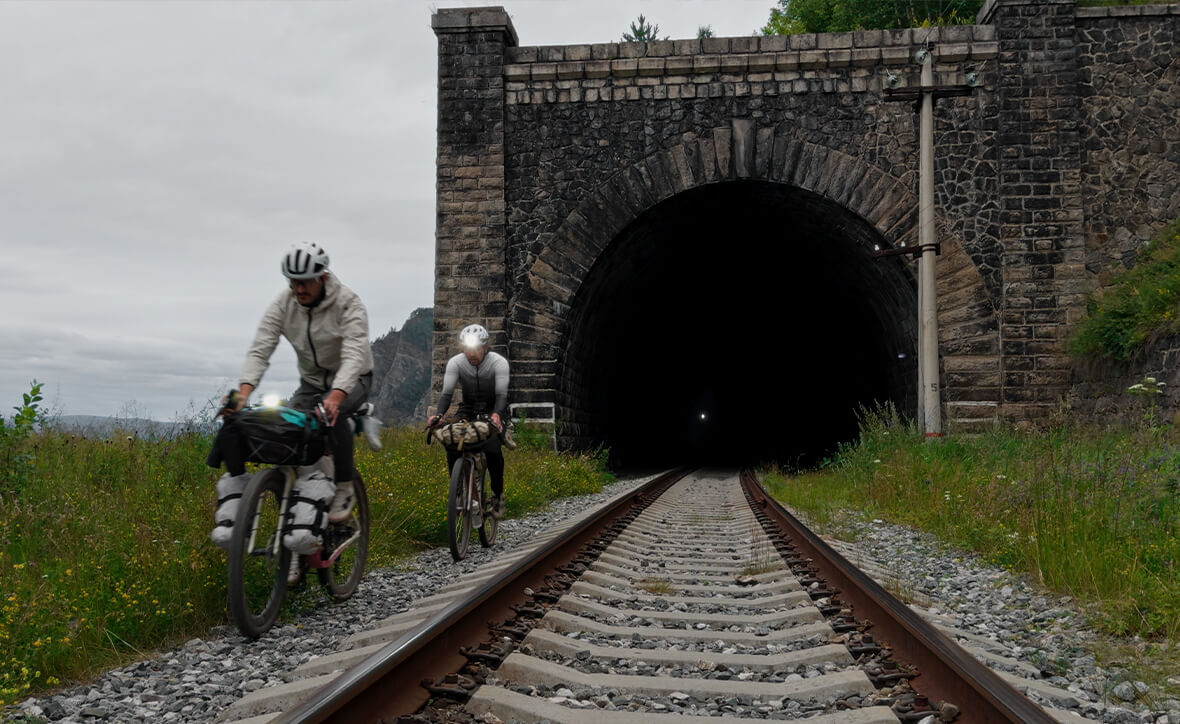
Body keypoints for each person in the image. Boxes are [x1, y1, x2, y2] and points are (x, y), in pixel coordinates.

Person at [207, 242, 374, 562]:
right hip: (311, 383)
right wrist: (244, 393)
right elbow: (261, 347)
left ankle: (343, 487)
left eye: (305, 282)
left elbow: (355, 354)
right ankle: (298, 513)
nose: (298, 289)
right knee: (293, 431)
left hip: (353, 379)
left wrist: (336, 396)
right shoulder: (284, 303)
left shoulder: (348, 303)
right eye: (293, 282)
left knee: (332, 416)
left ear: (322, 277)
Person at [428, 324, 510, 518]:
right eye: (467, 349)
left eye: (476, 349)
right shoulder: (456, 363)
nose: (472, 353)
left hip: (493, 408)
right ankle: (457, 492)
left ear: (485, 348)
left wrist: (497, 415)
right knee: (451, 441)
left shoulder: (498, 363)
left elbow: (501, 395)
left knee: (493, 449)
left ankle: (498, 496)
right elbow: (446, 394)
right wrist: (439, 415)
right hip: (468, 408)